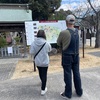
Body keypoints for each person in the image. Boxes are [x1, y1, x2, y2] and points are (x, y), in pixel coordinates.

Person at [57, 14, 83, 99]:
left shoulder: (63, 32)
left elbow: (58, 43)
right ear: (74, 22)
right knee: (76, 73)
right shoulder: (77, 31)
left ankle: (68, 94)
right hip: (76, 55)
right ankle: (79, 91)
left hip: (67, 55)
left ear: (66, 22)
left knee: (67, 74)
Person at [30, 30, 52, 95]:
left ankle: (42, 82)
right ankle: (43, 89)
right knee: (44, 74)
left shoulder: (33, 43)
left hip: (37, 61)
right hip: (45, 61)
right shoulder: (46, 43)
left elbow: (31, 52)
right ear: (44, 35)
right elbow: (49, 50)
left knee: (40, 72)